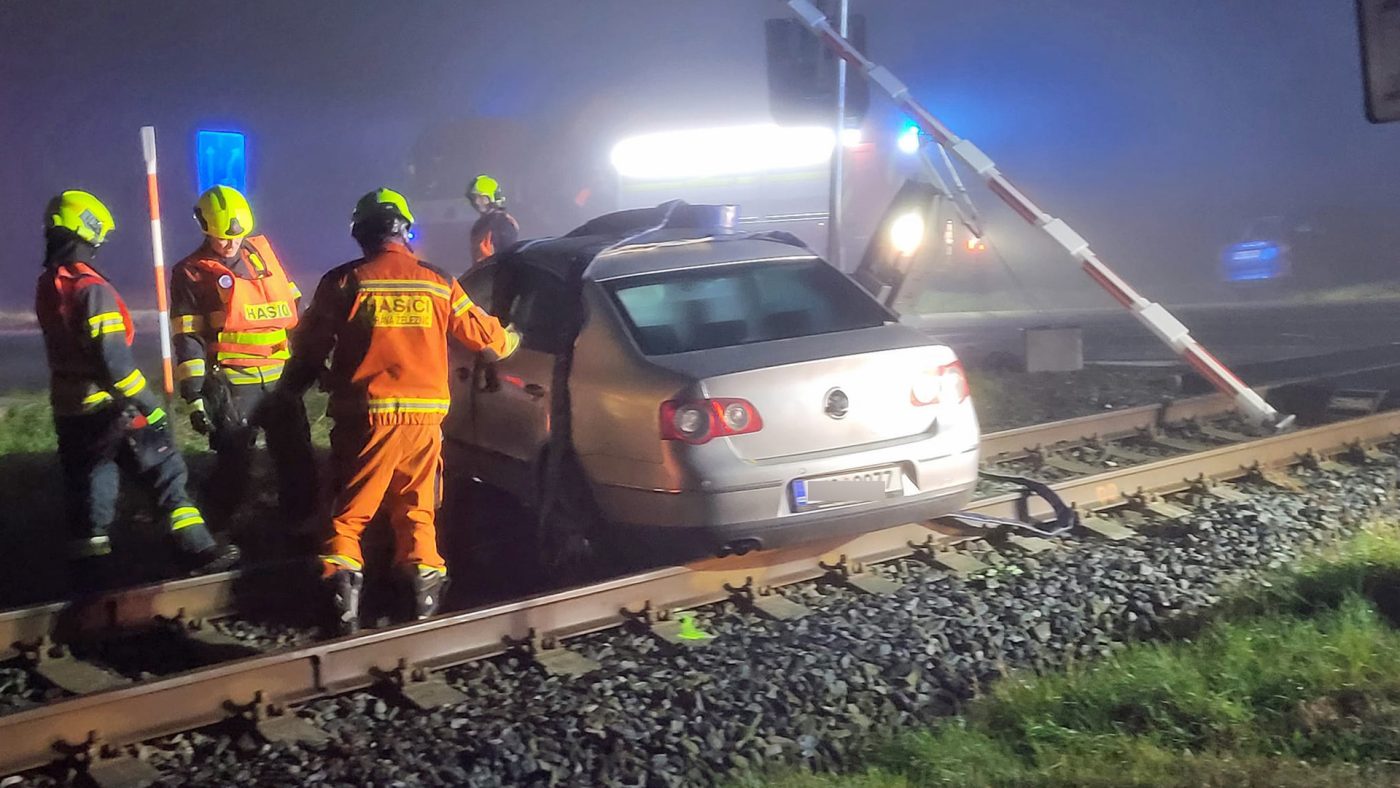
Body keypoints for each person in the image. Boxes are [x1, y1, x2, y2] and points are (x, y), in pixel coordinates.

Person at [278, 188, 519, 634]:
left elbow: (309, 348)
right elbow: (489, 339)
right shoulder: (437, 280)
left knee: (347, 515)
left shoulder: (344, 281)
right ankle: (421, 604)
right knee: (417, 511)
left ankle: (341, 609)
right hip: (425, 421)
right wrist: (513, 337)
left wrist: (289, 390)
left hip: (366, 419)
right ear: (404, 230)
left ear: (361, 233)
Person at [36, 190, 240, 589]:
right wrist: (152, 407)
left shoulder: (50, 283)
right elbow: (116, 367)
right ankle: (196, 548)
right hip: (112, 408)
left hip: (71, 410)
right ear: (88, 229)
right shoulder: (92, 289)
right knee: (165, 470)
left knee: (92, 486)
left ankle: (91, 575)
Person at [169, 186, 316, 524]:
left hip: (280, 379)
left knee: (297, 459)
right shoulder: (191, 272)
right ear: (204, 228)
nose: (230, 243)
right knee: (234, 464)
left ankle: (300, 527)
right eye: (222, 237)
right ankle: (215, 530)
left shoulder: (264, 257)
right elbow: (188, 336)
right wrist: (194, 395)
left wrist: (309, 360)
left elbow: (294, 309)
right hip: (234, 382)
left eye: (236, 236)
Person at [466, 174, 519, 267]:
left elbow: (506, 259)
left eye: (482, 198)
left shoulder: (503, 223)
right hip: (483, 272)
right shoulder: (482, 223)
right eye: (474, 198)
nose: (477, 202)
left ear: (492, 198)